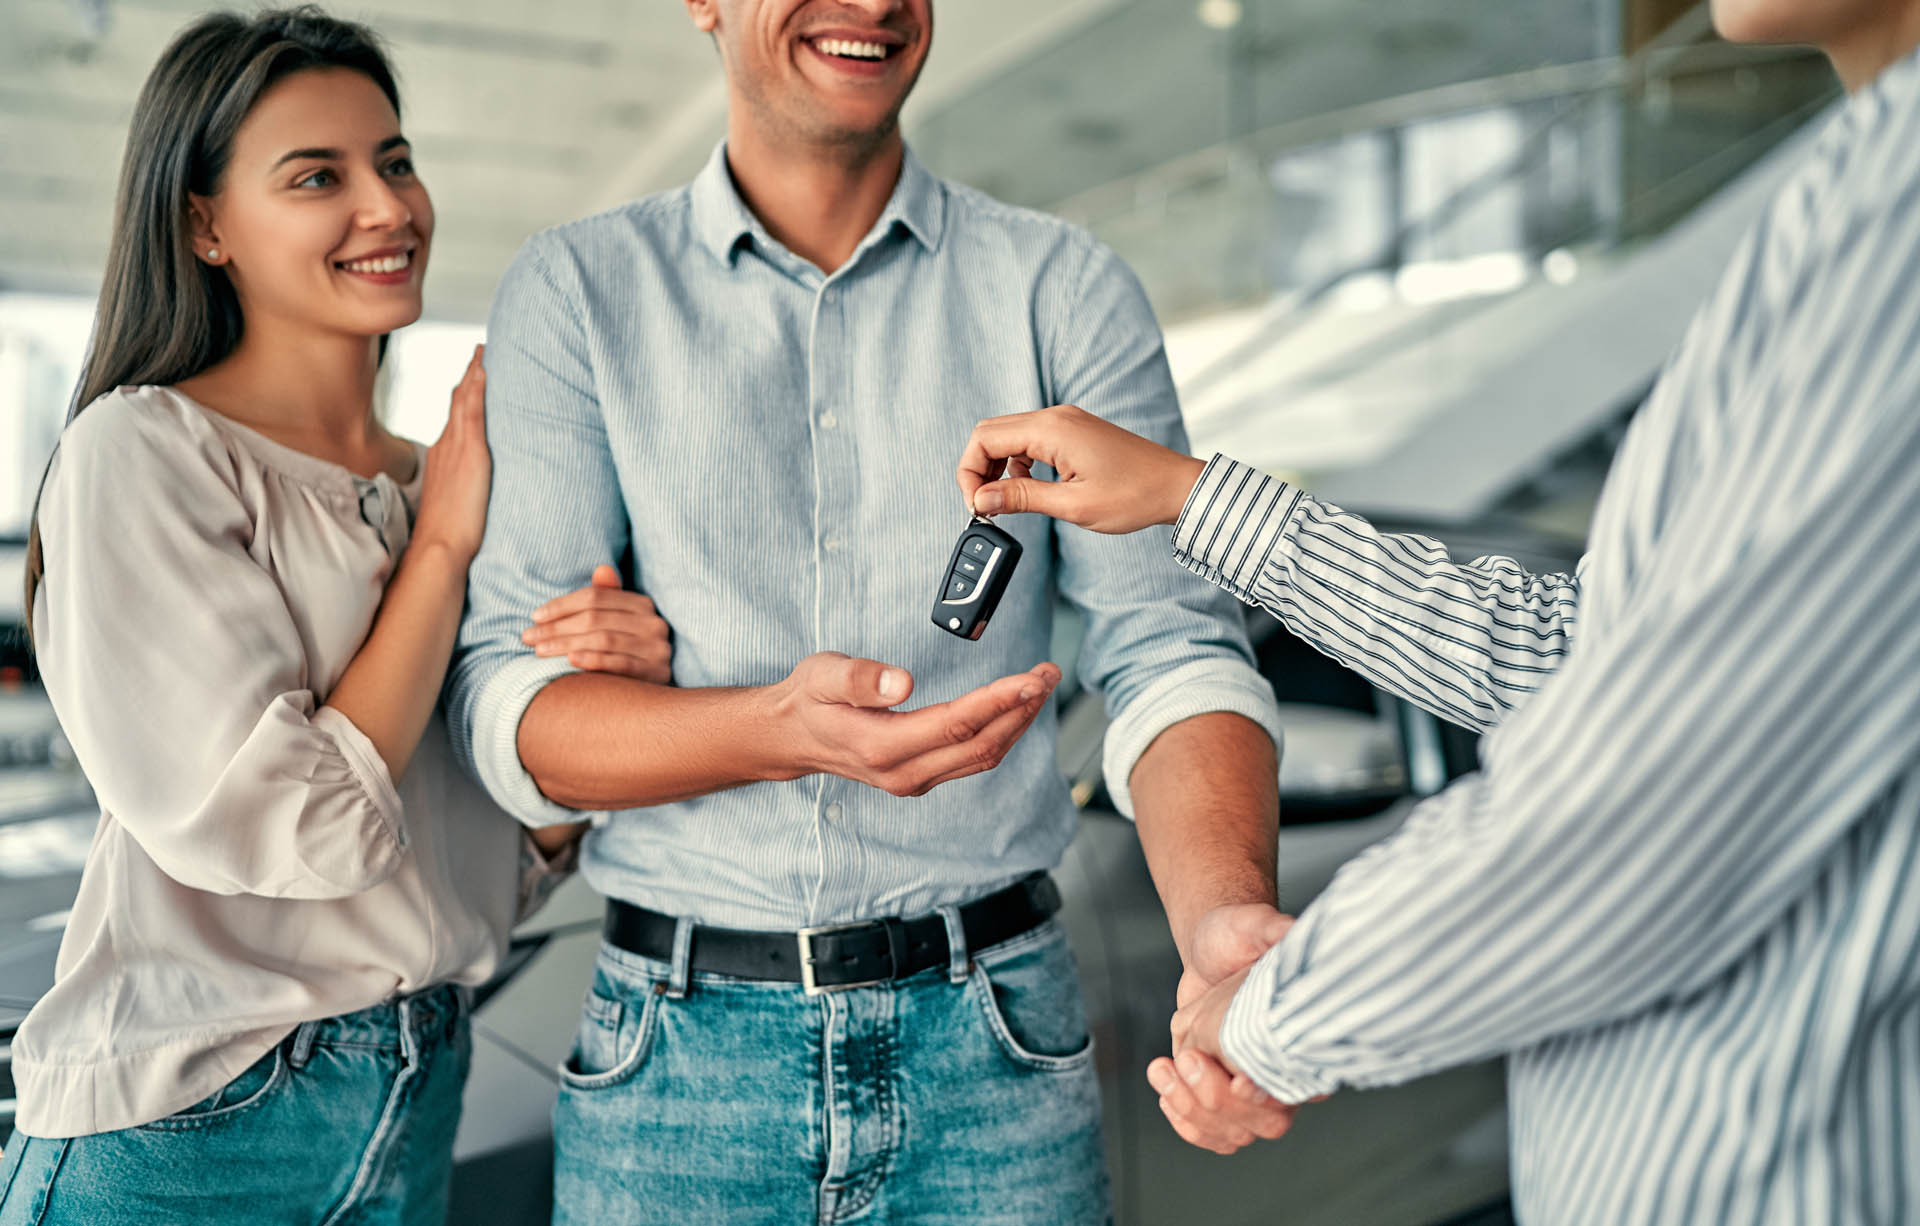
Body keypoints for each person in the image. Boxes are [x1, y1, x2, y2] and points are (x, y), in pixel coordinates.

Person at [955, 4, 1920, 1219]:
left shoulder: (1894, 231)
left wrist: (1272, 1011)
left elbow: (1637, 811)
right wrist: (1191, 499)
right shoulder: (1848, 192)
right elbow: (1589, 665)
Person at [443, 0, 1290, 1219]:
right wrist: (775, 725)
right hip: (674, 1070)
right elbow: (512, 720)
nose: (877, 3)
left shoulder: (1063, 288)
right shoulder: (577, 290)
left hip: (1000, 1049)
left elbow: (1171, 648)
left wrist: (1220, 920)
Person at [0, 10, 669, 1224]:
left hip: (415, 1087)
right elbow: (293, 831)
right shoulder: (143, 453)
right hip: (188, 1127)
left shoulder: (445, 474)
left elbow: (481, 872)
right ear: (205, 224)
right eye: (319, 176)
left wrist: (595, 707)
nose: (389, 206)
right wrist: (448, 550)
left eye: (396, 161)